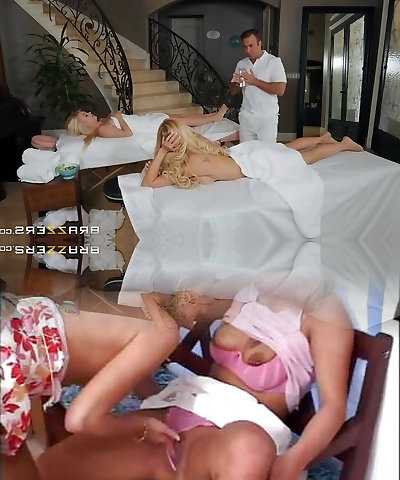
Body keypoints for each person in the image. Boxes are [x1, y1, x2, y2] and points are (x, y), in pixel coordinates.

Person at [37, 286, 354, 480]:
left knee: (249, 448)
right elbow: (180, 306)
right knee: (48, 468)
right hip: (178, 406)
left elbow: (334, 407)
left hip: (239, 426)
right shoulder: (249, 286)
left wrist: (293, 462)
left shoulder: (324, 310)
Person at [0, 292, 181, 480]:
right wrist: (143, 427)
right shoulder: (166, 331)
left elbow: (137, 373)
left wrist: (164, 405)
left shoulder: (131, 304)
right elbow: (78, 420)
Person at [65, 104, 229, 149]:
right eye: (85, 115)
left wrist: (114, 117)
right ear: (83, 125)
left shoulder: (101, 123)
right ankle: (215, 117)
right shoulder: (102, 130)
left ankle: (213, 116)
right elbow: (127, 133)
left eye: (86, 113)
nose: (89, 113)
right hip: (148, 127)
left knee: (182, 116)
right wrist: (119, 117)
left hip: (144, 120)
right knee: (183, 120)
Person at [229, 29, 287, 143]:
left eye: (251, 46)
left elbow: (280, 90)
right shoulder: (242, 63)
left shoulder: (274, 62)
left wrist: (254, 81)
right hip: (246, 117)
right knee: (246, 151)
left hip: (267, 118)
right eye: (245, 47)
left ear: (259, 43)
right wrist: (239, 83)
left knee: (266, 151)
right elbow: (232, 91)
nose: (247, 50)